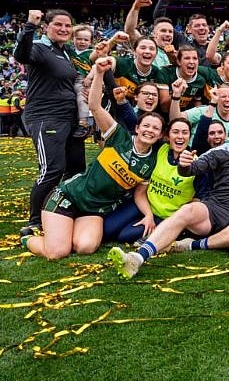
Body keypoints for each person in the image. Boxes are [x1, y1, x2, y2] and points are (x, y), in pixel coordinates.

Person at [108, 110, 229, 278]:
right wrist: (184, 164)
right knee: (188, 209)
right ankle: (137, 258)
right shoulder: (223, 151)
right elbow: (190, 170)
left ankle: (192, 245)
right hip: (214, 211)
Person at [25, 57, 163, 259]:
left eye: (156, 129)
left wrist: (149, 215)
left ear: (160, 135)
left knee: (85, 247)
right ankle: (28, 238)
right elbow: (95, 106)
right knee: (57, 253)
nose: (150, 131)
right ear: (137, 128)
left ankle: (63, 231)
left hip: (96, 209)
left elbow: (140, 193)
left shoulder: (151, 161)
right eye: (147, 126)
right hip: (70, 197)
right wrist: (99, 73)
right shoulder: (118, 136)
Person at [14, 9, 86, 237]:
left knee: (75, 170)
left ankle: (59, 211)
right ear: (46, 27)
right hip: (47, 118)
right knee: (52, 170)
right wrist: (29, 26)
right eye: (58, 25)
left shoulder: (65, 52)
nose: (64, 29)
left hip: (70, 120)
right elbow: (21, 55)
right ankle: (35, 221)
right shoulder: (39, 48)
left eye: (68, 26)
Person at [102, 117, 208, 244]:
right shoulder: (160, 149)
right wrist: (122, 102)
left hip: (165, 217)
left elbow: (200, 199)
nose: (180, 136)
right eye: (175, 132)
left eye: (184, 132)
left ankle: (174, 233)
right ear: (167, 136)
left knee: (124, 236)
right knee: (107, 231)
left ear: (190, 136)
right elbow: (139, 126)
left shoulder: (197, 164)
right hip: (143, 204)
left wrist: (180, 222)